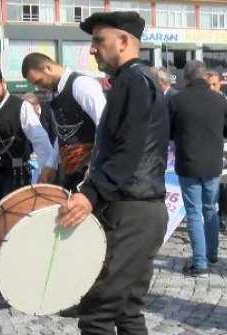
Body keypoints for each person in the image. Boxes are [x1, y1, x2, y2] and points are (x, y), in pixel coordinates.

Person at [59, 11, 169, 334]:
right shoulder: (137, 80)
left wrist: (89, 194)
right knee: (126, 311)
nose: (92, 49)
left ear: (123, 42)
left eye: (98, 41)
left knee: (97, 313)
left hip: (131, 212)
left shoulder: (133, 81)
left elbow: (129, 151)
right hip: (141, 209)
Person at [169, 60, 227, 277]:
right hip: (213, 165)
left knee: (193, 212)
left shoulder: (176, 100)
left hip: (188, 164)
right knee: (210, 210)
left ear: (186, 79)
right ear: (204, 77)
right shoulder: (220, 100)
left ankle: (199, 263)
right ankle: (212, 254)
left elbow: (168, 133)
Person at [0, 64, 57, 214]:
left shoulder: (21, 106)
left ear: (3, 83)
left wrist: (48, 167)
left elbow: (40, 139)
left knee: (14, 217)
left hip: (16, 173)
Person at [21, 52, 106, 191]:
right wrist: (51, 165)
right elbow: (64, 133)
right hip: (69, 174)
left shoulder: (81, 84)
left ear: (48, 68)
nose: (39, 88)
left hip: (89, 173)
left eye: (39, 81)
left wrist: (95, 164)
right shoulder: (56, 92)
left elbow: (104, 124)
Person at [206, 71, 227, 231]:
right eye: (208, 84)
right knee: (210, 186)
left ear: (220, 85)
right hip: (207, 152)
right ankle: (210, 216)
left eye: (214, 84)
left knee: (223, 186)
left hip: (224, 151)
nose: (211, 87)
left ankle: (223, 216)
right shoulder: (202, 102)